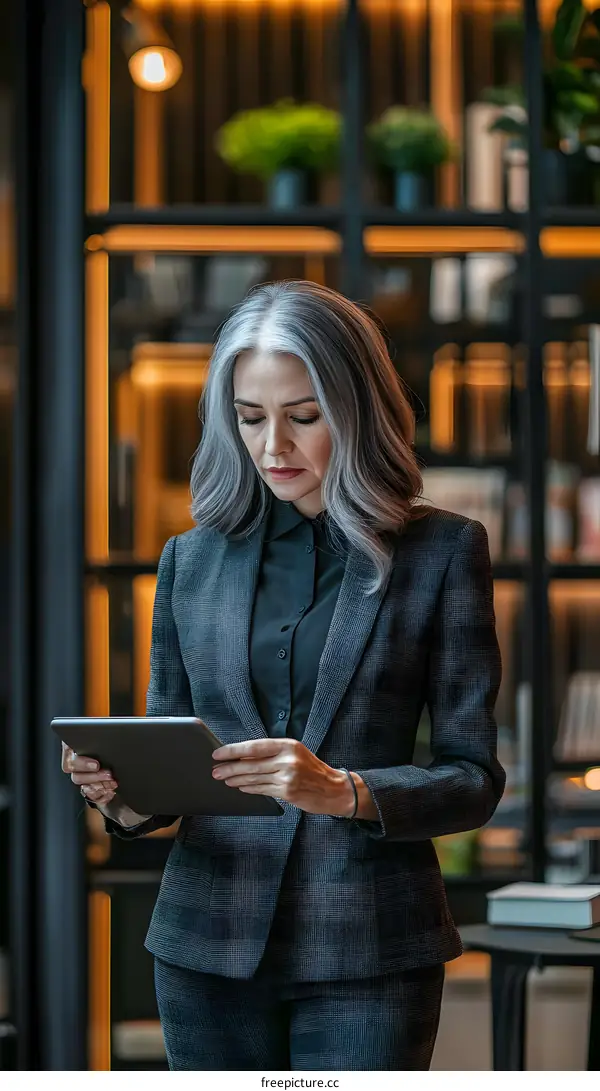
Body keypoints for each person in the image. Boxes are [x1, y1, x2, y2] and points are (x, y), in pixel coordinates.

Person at [62, 280, 505, 1071]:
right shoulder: (188, 562)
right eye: (250, 417)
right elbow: (168, 775)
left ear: (357, 409)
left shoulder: (440, 554)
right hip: (205, 948)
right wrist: (120, 792)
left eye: (303, 417)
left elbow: (473, 777)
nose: (273, 447)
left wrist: (344, 789)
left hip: (371, 951)